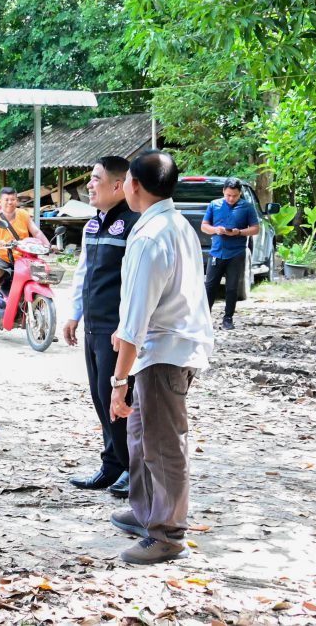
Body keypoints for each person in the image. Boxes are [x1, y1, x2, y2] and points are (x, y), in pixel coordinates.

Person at [108, 150, 213, 565]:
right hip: (165, 346)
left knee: (164, 444)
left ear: (134, 184)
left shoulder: (153, 235)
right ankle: (145, 510)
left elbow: (136, 317)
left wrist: (119, 381)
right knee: (141, 436)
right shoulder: (173, 223)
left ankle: (167, 533)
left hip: (164, 351)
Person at [63, 156, 139, 498]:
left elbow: (137, 284)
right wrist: (74, 313)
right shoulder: (94, 224)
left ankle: (131, 468)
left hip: (117, 330)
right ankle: (112, 464)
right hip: (93, 325)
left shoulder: (134, 223)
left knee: (118, 400)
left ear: (117, 185)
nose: (90, 185)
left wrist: (125, 325)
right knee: (98, 395)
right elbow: (84, 272)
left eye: (96, 179)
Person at [200, 178, 259, 330]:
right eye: (228, 195)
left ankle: (228, 319)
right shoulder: (214, 205)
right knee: (210, 286)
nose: (231, 198)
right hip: (217, 251)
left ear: (240, 194)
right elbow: (204, 226)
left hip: (237, 252)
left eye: (234, 195)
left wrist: (239, 232)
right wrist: (215, 230)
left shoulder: (247, 207)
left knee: (232, 287)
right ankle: (205, 318)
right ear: (223, 192)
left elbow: (255, 229)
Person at [0, 187, 48, 320]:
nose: (9, 202)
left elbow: (36, 232)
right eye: (6, 199)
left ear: (17, 201)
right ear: (0, 201)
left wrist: (48, 245)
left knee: (39, 275)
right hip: (1, 255)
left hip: (23, 256)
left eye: (12, 199)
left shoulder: (23, 215)